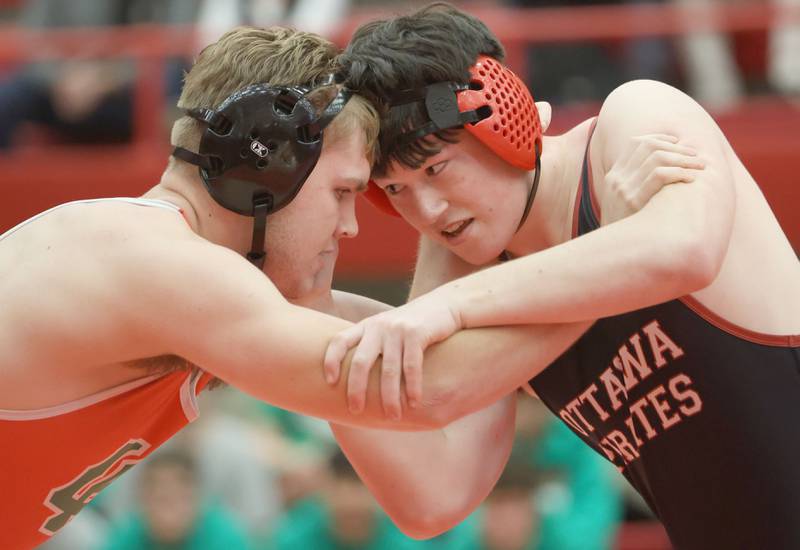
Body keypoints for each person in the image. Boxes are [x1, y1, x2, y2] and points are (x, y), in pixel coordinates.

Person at [0, 23, 634, 549]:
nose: (352, 225)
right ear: (268, 168)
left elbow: (431, 486)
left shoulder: (191, 281)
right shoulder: (155, 266)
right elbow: (431, 391)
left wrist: (479, 238)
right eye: (343, 192)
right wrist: (613, 252)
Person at [325, 3, 800, 548]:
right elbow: (435, 496)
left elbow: (684, 249)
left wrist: (452, 306)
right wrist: (311, 314)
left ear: (504, 117)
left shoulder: (632, 120)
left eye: (436, 168)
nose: (428, 211)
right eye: (395, 190)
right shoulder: (469, 262)